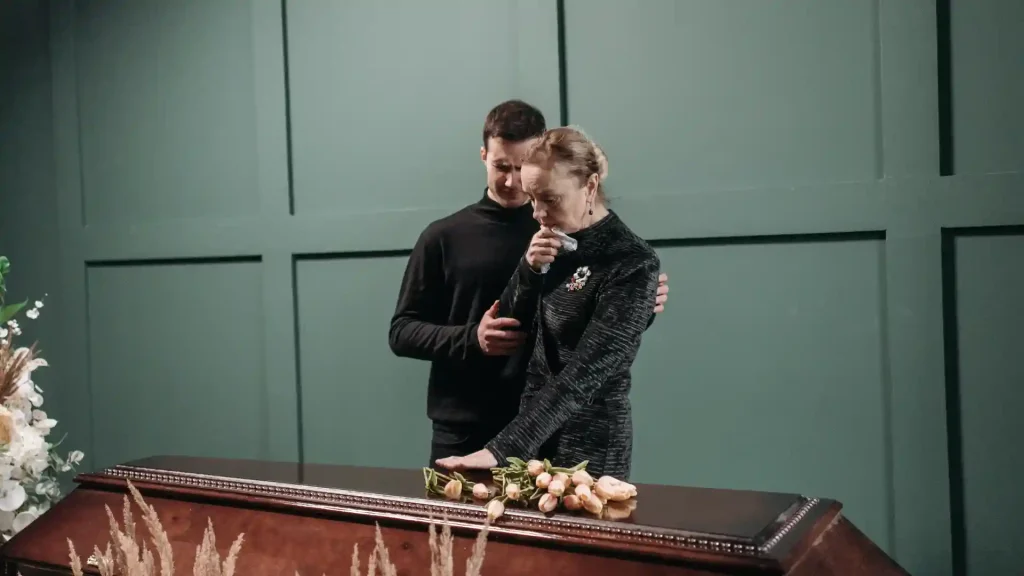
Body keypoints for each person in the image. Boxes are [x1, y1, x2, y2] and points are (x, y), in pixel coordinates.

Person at [388, 100, 669, 466]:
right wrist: (473, 336)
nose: (514, 184)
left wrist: (637, 309)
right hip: (472, 423)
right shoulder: (449, 236)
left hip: (557, 435)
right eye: (501, 167)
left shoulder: (576, 235)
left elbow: (585, 349)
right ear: (484, 156)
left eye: (522, 170)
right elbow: (403, 331)